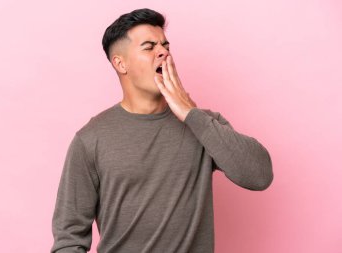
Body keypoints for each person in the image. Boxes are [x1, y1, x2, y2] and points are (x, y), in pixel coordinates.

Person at [50, 8, 273, 253]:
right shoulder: (90, 139)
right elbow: (68, 239)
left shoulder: (204, 124)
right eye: (149, 47)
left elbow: (259, 176)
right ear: (120, 63)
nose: (163, 52)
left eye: (165, 45)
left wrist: (191, 113)